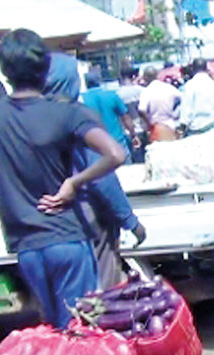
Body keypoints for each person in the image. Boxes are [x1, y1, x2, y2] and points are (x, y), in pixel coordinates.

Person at [0, 30, 126, 328]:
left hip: (26, 248)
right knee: (80, 331)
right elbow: (115, 154)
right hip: (69, 239)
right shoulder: (66, 113)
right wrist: (74, 183)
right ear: (45, 68)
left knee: (51, 329)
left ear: (4, 70)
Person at [43, 55, 147, 290]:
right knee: (104, 291)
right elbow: (102, 176)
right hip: (86, 215)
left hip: (47, 220)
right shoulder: (74, 115)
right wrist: (131, 221)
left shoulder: (30, 118)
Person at [84, 74, 138, 161]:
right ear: (100, 81)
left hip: (96, 147)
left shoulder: (82, 99)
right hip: (117, 143)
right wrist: (133, 135)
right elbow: (126, 118)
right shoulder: (112, 95)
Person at [178, 59, 214, 136]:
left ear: (193, 69)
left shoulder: (190, 85)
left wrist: (181, 128)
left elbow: (186, 110)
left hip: (196, 131)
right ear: (206, 68)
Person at [138, 67, 181, 143]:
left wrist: (149, 123)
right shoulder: (169, 88)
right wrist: (176, 113)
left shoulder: (146, 91)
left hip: (155, 127)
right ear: (157, 75)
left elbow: (141, 109)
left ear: (145, 77)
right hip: (170, 125)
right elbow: (182, 98)